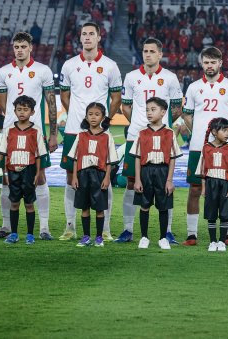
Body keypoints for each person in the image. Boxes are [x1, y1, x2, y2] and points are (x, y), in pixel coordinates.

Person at [58, 22, 122, 241]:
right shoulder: (69, 65)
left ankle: (105, 229)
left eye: (91, 34)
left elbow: (116, 98)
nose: (87, 37)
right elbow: (64, 95)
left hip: (100, 132)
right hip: (74, 130)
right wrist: (77, 117)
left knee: (103, 176)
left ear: (99, 37)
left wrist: (106, 120)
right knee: (71, 176)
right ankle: (70, 226)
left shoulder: (110, 66)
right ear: (80, 37)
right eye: (84, 34)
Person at [118, 38, 183, 244]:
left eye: (152, 51)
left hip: (162, 137)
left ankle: (168, 231)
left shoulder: (170, 78)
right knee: (131, 182)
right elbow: (125, 106)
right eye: (145, 51)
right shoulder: (131, 77)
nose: (148, 54)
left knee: (165, 183)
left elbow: (177, 108)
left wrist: (161, 126)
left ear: (160, 54)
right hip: (136, 136)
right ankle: (128, 230)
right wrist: (141, 125)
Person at [0, 32, 57, 240]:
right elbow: (4, 105)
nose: (19, 50)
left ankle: (44, 228)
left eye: (23, 46)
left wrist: (53, 133)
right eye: (16, 47)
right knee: (7, 178)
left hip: (35, 133)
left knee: (40, 177)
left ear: (31, 47)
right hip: (11, 134)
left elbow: (51, 103)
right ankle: (6, 226)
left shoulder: (43, 70)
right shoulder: (3, 72)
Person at [181, 47, 228, 247]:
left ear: (220, 63)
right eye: (206, 62)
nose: (209, 66)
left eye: (213, 62)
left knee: (227, 190)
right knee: (195, 188)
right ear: (202, 63)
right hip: (198, 147)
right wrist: (201, 133)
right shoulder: (193, 87)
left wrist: (223, 136)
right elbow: (186, 114)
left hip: (225, 149)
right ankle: (191, 235)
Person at [131, 97, 181, 250]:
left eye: (153, 110)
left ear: (163, 112)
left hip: (163, 172)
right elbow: (137, 157)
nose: (149, 113)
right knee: (144, 205)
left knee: (163, 206)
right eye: (147, 110)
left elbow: (172, 158)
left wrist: (169, 180)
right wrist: (138, 179)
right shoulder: (142, 133)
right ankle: (144, 237)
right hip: (146, 171)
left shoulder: (169, 133)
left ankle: (163, 238)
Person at [0, 95, 49, 245]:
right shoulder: (9, 130)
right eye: (19, 109)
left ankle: (30, 235)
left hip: (29, 171)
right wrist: (5, 173)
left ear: (32, 112)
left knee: (29, 204)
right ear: (14, 111)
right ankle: (13, 234)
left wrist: (37, 173)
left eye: (25, 109)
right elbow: (3, 154)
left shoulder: (36, 130)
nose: (22, 112)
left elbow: (38, 155)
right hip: (12, 170)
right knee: (14, 203)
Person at [67, 103, 118, 247]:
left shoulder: (107, 136)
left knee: (99, 208)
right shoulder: (81, 135)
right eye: (90, 114)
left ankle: (99, 237)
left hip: (99, 175)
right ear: (86, 117)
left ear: (103, 117)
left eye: (97, 114)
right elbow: (75, 158)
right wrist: (75, 177)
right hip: (83, 175)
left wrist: (107, 177)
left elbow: (110, 161)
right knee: (84, 207)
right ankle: (86, 237)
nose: (93, 117)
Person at [194, 117, 228, 252]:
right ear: (214, 132)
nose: (227, 134)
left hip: (225, 184)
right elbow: (202, 170)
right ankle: (212, 241)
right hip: (211, 184)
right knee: (211, 214)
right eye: (224, 130)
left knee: (225, 213)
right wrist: (204, 188)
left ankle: (222, 241)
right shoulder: (206, 148)